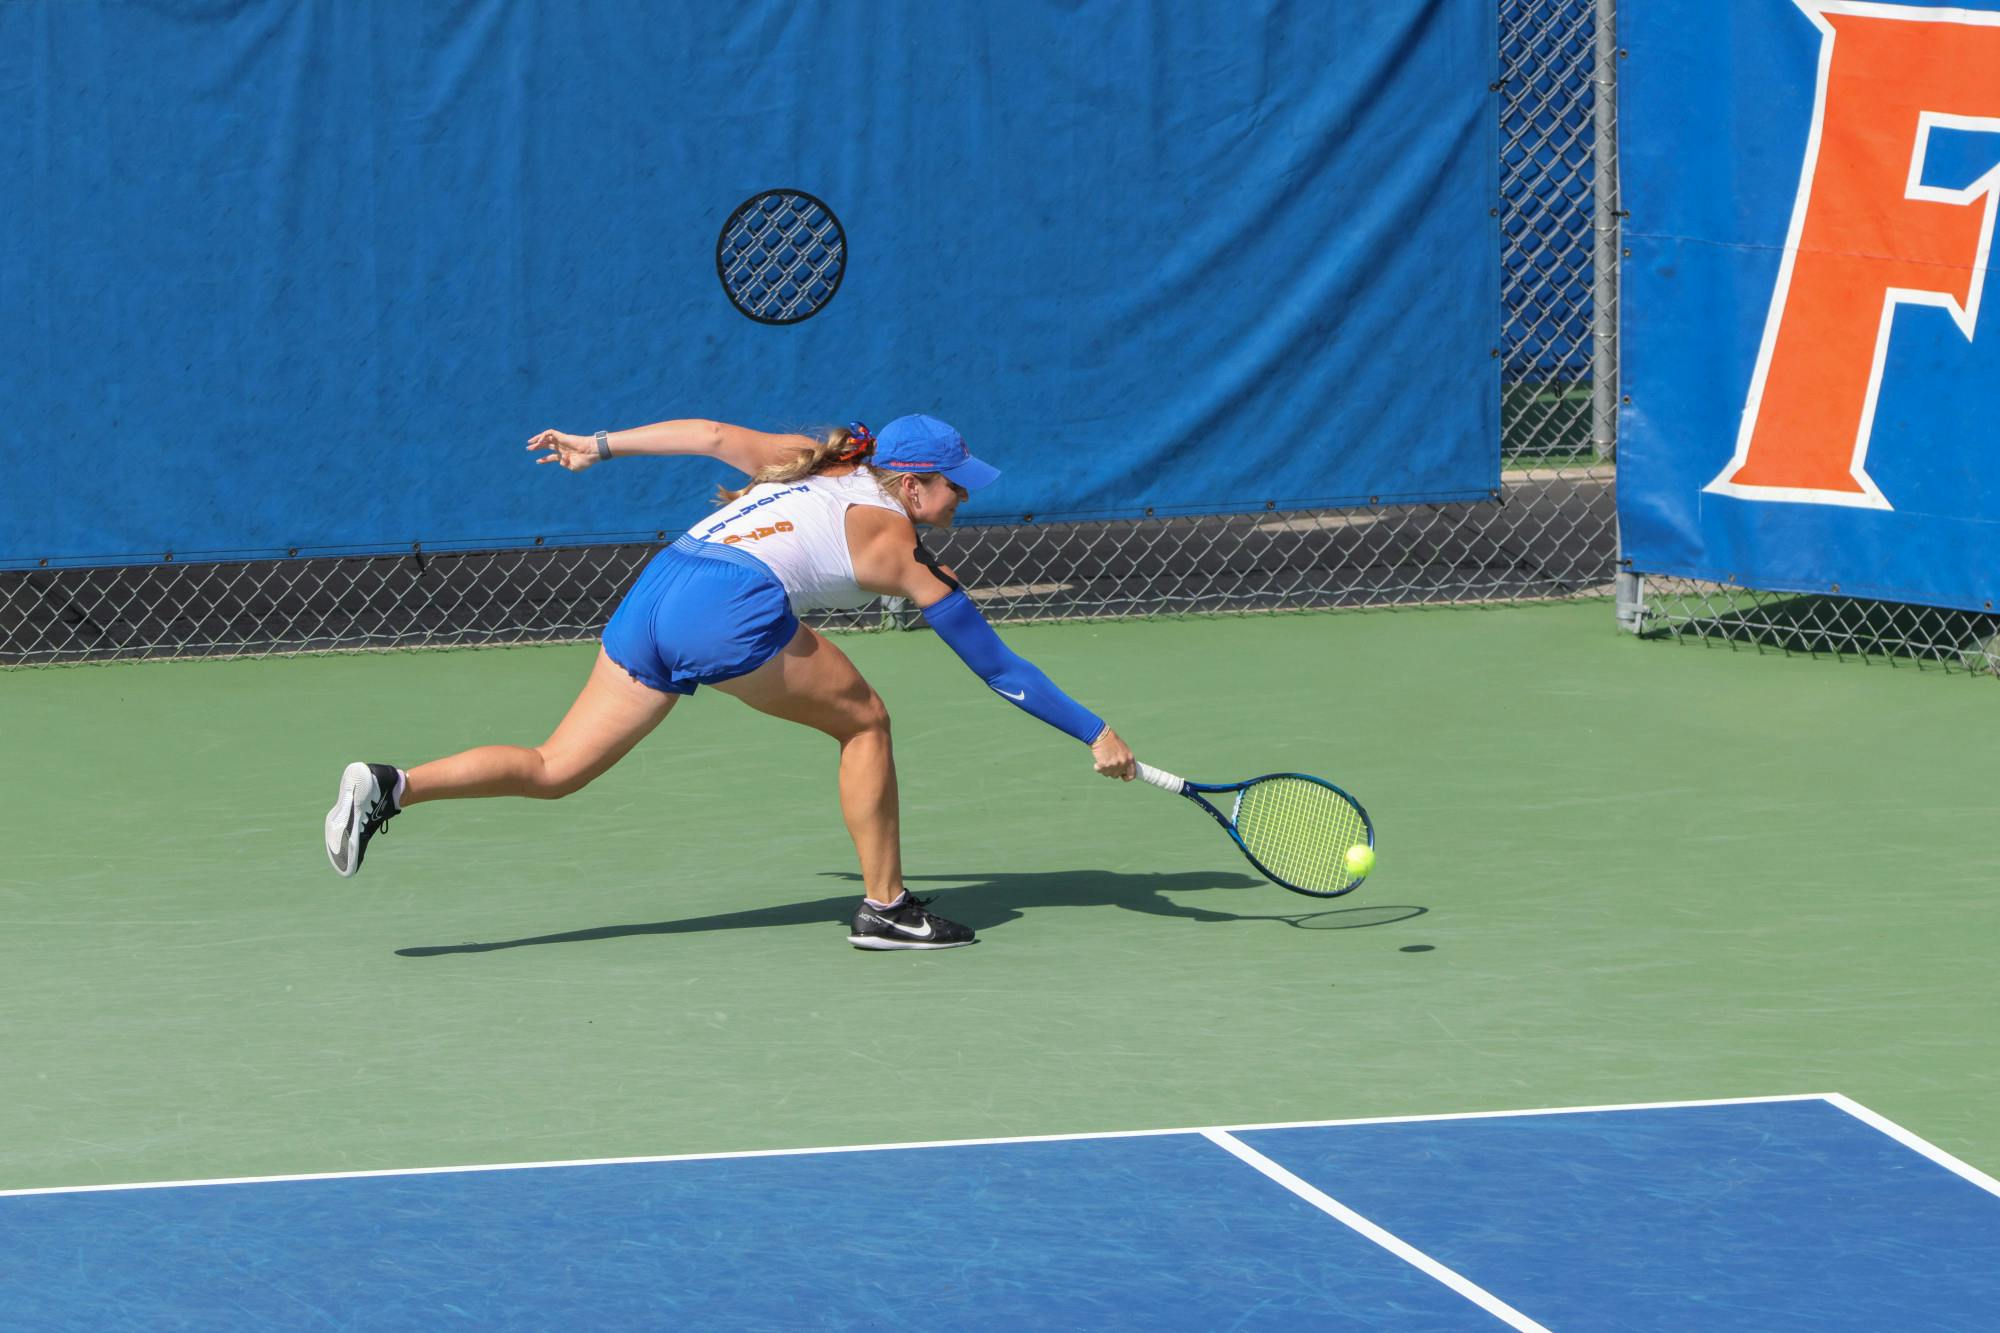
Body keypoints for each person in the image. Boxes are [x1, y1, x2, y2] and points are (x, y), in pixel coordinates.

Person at [324, 413, 1136, 950]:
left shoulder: (814, 460)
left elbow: (710, 433)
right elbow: (996, 664)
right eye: (957, 484)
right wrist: (1092, 729)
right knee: (865, 723)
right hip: (726, 603)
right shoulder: (897, 546)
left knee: (555, 767)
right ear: (915, 485)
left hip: (660, 585)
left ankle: (392, 785)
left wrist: (595, 445)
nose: (965, 496)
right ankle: (886, 909)